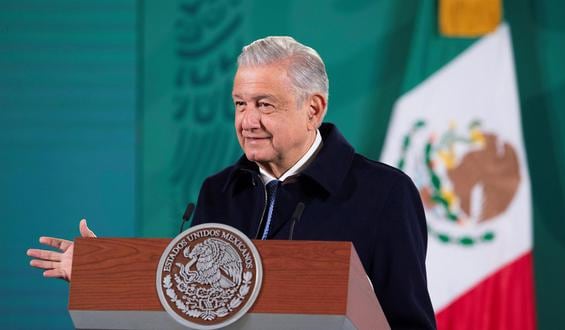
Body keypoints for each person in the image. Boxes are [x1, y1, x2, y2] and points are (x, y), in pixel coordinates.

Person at [28, 36, 436, 329]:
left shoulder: (385, 194)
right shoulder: (220, 190)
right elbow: (190, 300)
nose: (247, 121)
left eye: (264, 105)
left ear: (313, 109)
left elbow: (408, 321)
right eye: (240, 104)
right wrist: (105, 273)